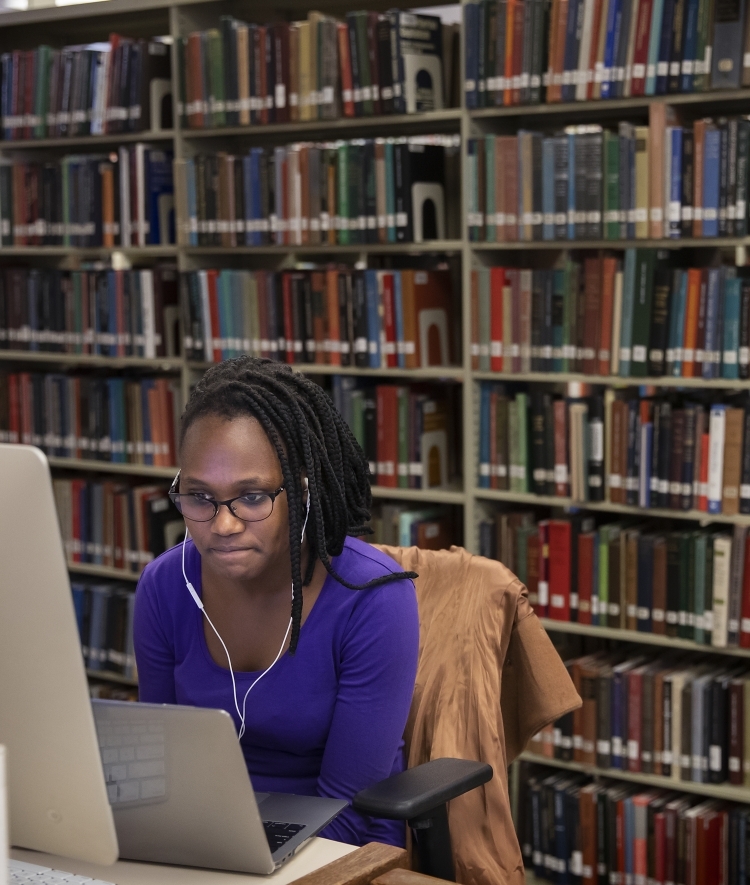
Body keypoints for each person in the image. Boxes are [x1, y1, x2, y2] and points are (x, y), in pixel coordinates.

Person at [133, 356, 420, 847]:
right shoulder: (164, 586)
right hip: (205, 839)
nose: (222, 525)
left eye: (251, 497)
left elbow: (349, 811)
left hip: (339, 844)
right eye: (199, 497)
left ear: (302, 491)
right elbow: (165, 774)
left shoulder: (374, 599)